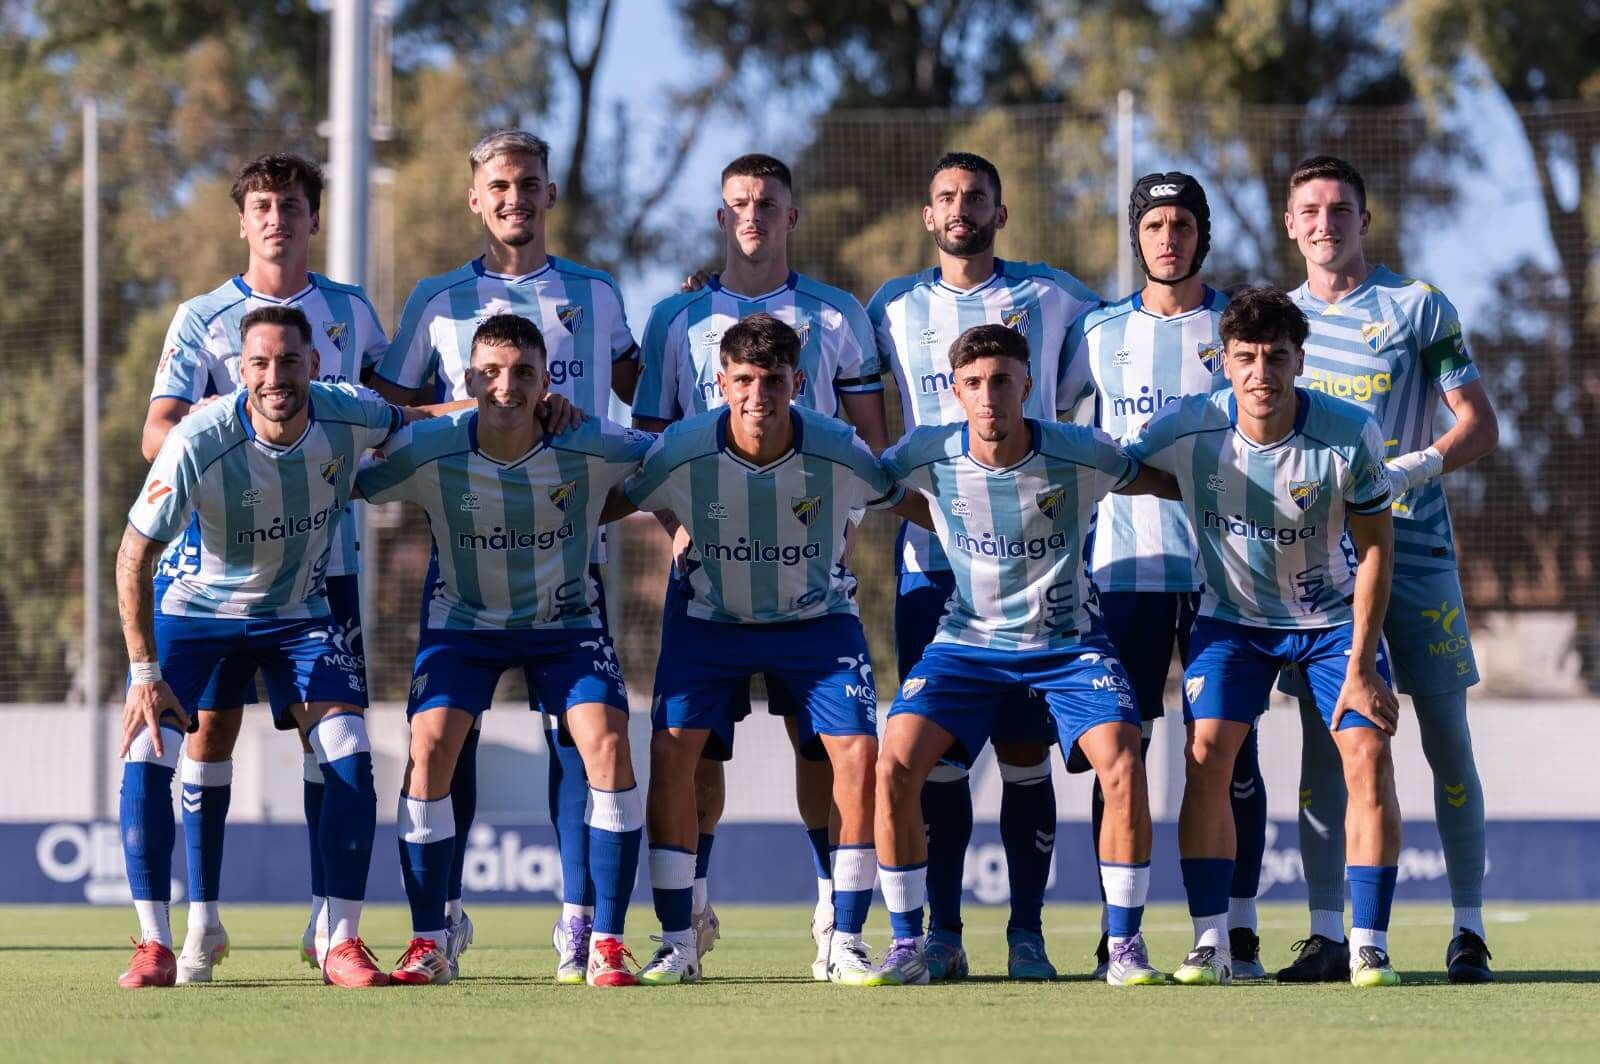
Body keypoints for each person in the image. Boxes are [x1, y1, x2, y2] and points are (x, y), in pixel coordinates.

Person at [370, 129, 639, 983]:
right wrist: (480, 408)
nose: (514, 197)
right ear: (476, 199)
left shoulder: (597, 294)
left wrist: (701, 313)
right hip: (469, 558)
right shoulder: (438, 300)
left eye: (528, 183)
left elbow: (654, 386)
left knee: (585, 740)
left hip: (572, 555)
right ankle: (437, 924)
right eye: (498, 186)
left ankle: (583, 925)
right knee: (445, 737)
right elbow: (386, 411)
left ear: (549, 195)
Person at [633, 153, 889, 978]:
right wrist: (674, 530)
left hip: (811, 586)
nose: (753, 215)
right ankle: (688, 921)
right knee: (690, 755)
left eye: (768, 203)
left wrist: (843, 525)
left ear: (791, 215)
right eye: (739, 203)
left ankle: (834, 921)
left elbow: (870, 452)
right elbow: (648, 451)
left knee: (829, 754)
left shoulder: (839, 315)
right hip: (708, 583)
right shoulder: (675, 317)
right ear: (720, 216)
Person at [141, 153, 389, 979]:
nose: (276, 216)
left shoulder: (351, 312)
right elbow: (157, 434)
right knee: (209, 733)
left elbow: (391, 414)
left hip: (326, 560)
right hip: (212, 562)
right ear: (241, 221)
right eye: (260, 205)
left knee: (334, 739)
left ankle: (330, 924)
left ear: (314, 217)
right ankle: (200, 921)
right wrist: (237, 425)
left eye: (290, 203)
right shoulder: (200, 316)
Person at [115, 306, 412, 989]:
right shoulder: (198, 437)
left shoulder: (349, 412)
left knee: (349, 746)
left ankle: (340, 940)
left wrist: (513, 405)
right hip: (195, 612)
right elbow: (133, 552)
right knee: (146, 743)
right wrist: (142, 673)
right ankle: (155, 944)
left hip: (296, 611)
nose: (274, 376)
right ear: (239, 372)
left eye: (287, 361)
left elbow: (421, 419)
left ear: (314, 364)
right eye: (259, 363)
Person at [1126, 285, 1405, 988]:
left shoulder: (1349, 433)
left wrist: (1366, 665)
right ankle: (1210, 942)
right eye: (1246, 358)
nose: (1261, 373)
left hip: (1332, 622)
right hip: (1232, 620)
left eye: (1276, 357)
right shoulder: (1188, 427)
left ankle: (1368, 944)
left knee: (1367, 754)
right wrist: (1185, 488)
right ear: (1223, 362)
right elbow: (1124, 469)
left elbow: (1376, 548)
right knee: (1206, 753)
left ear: (1299, 361)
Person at [872, 323, 1167, 987]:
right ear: (954, 391)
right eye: (973, 383)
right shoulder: (929, 450)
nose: (988, 396)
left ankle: (1122, 948)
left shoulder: (1080, 450)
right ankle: (908, 943)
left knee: (1122, 758)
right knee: (893, 763)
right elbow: (870, 483)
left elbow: (1156, 479)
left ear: (1027, 385)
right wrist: (945, 521)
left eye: (1001, 381)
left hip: (1068, 645)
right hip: (967, 644)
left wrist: (1229, 497)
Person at [867, 152, 1099, 980]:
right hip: (934, 569)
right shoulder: (889, 306)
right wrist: (950, 517)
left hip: (1037, 574)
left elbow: (1127, 356)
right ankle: (942, 934)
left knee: (1029, 757)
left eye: (976, 198)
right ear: (927, 215)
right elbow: (861, 433)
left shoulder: (1059, 296)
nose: (960, 209)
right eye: (945, 198)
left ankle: (1027, 933)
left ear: (1001, 213)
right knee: (941, 760)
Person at [1277, 156, 1499, 984]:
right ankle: (1330, 935)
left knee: (1446, 742)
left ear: (1365, 221)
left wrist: (1418, 467)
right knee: (1324, 751)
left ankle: (1468, 929)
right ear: (1291, 225)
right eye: (1311, 210)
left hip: (1418, 553)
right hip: (1320, 570)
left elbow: (1480, 425)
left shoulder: (1416, 306)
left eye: (1341, 209)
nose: (1326, 223)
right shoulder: (1276, 322)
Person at [1060, 172, 1268, 979]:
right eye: (1154, 225)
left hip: (1229, 575)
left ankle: (1234, 932)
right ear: (1137, 237)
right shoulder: (1099, 330)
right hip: (1124, 569)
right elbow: (1047, 413)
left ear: (1202, 234)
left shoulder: (1237, 326)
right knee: (1123, 752)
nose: (1168, 238)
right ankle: (1123, 931)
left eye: (1183, 224)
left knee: (1228, 756)